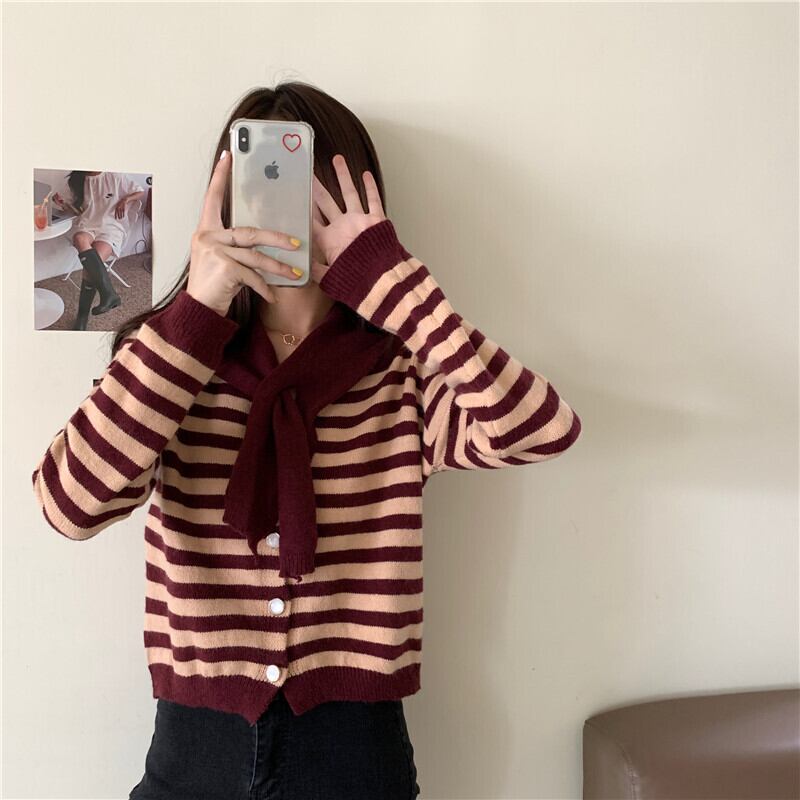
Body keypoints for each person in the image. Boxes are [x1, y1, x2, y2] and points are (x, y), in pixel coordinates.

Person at [31, 82, 582, 800]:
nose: (292, 215)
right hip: (196, 746)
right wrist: (199, 307)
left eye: (316, 191)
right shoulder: (170, 356)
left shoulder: (401, 372)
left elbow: (541, 429)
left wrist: (396, 285)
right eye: (270, 186)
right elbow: (69, 506)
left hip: (355, 747)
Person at [57, 170, 146, 329]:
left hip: (111, 228)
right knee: (79, 239)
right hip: (87, 225)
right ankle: (109, 293)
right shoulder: (77, 179)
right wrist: (62, 204)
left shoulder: (115, 176)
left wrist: (125, 199)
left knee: (90, 267)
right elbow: (76, 212)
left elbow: (140, 191)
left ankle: (82, 318)